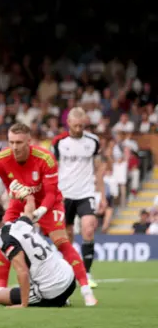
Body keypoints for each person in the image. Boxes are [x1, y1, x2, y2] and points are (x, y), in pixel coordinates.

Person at [0, 123, 97, 307]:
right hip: (21, 201)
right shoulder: (0, 160)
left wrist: (40, 212)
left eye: (19, 142)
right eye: (11, 142)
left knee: (61, 241)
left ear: (29, 142)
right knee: (4, 238)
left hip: (48, 203)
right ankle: (0, 290)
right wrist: (17, 196)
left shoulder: (45, 158)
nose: (14, 147)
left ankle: (87, 291)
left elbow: (51, 194)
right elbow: (10, 188)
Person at [0, 200, 77, 308]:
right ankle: (61, 296)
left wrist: (23, 304)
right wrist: (27, 197)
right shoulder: (20, 223)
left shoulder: (4, 239)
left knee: (1, 296)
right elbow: (29, 210)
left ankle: (57, 299)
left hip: (54, 290)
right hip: (70, 279)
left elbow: (22, 271)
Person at [52, 107, 105, 288]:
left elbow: (99, 168)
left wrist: (102, 195)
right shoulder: (59, 142)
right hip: (65, 194)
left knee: (88, 229)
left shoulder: (93, 141)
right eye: (75, 126)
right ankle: (68, 272)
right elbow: (54, 168)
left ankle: (87, 273)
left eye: (82, 126)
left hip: (86, 193)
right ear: (68, 123)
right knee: (67, 234)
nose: (78, 129)